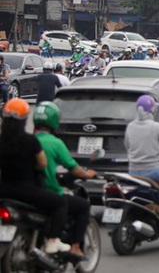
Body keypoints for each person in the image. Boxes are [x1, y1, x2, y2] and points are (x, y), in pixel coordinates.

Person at [0, 98, 70, 254]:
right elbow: (42, 164)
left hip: (4, 191)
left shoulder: (1, 140)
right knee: (60, 203)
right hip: (26, 191)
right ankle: (53, 240)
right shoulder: (30, 141)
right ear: (25, 119)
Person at [34, 101, 97, 258]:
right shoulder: (55, 143)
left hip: (30, 191)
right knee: (82, 206)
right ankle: (75, 247)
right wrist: (88, 174)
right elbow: (73, 168)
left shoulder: (29, 140)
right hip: (49, 191)